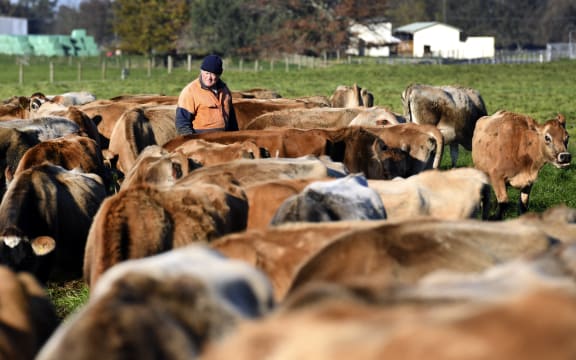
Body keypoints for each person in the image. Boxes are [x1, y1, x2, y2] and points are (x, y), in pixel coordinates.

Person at [175, 54, 239, 135]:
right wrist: (192, 142)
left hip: (223, 139)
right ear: (201, 71)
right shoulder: (190, 91)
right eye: (207, 73)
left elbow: (232, 120)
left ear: (219, 75)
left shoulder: (225, 90)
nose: (209, 77)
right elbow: (182, 123)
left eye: (213, 74)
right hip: (202, 142)